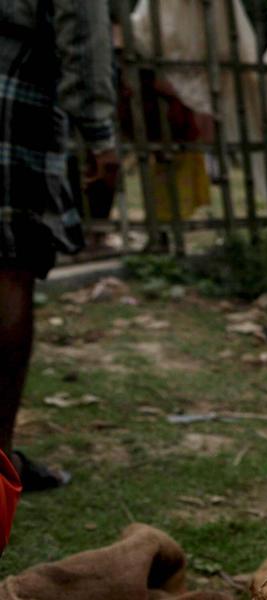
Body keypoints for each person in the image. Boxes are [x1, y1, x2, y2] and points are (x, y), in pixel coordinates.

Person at [0, 0, 119, 491]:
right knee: (8, 265)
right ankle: (0, 463)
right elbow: (82, 26)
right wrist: (99, 132)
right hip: (14, 92)